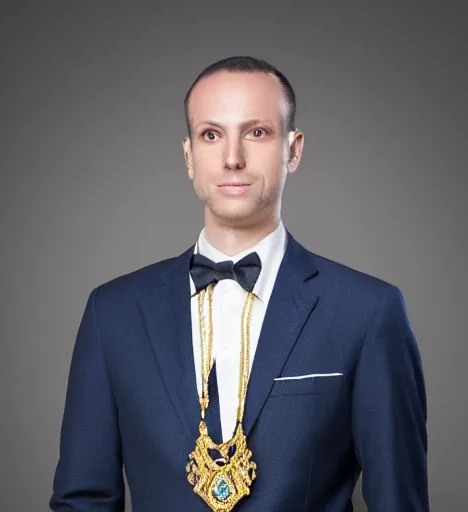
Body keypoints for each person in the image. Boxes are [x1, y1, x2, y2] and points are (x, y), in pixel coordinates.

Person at [49, 56, 429, 511]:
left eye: (256, 132)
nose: (233, 158)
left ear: (293, 149)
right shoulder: (112, 313)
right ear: (189, 156)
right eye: (212, 135)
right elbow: (83, 501)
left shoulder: (367, 312)